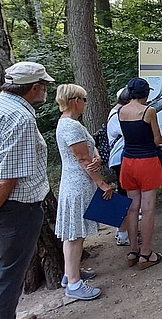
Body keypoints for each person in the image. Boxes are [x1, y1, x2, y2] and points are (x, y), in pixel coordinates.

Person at [0, 62, 54, 319]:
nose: (46, 90)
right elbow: (7, 179)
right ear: (35, 88)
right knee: (10, 274)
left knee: (9, 271)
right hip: (16, 209)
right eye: (44, 85)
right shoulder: (21, 118)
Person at [54, 84, 112, 300]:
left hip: (79, 182)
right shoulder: (70, 126)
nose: (86, 103)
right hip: (77, 184)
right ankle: (74, 284)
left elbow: (89, 148)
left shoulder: (74, 124)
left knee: (76, 232)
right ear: (75, 100)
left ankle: (72, 272)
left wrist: (96, 155)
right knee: (74, 234)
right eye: (84, 99)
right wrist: (101, 183)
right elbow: (82, 158)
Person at [119, 77, 162, 269]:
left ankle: (132, 251)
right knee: (147, 209)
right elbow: (156, 138)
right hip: (147, 162)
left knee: (132, 208)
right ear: (146, 93)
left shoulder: (121, 110)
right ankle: (146, 253)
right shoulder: (149, 111)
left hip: (128, 162)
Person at [107, 87, 131, 246]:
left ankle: (124, 230)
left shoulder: (116, 113)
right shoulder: (117, 115)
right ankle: (122, 233)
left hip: (121, 158)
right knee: (124, 196)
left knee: (125, 194)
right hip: (120, 158)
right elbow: (128, 133)